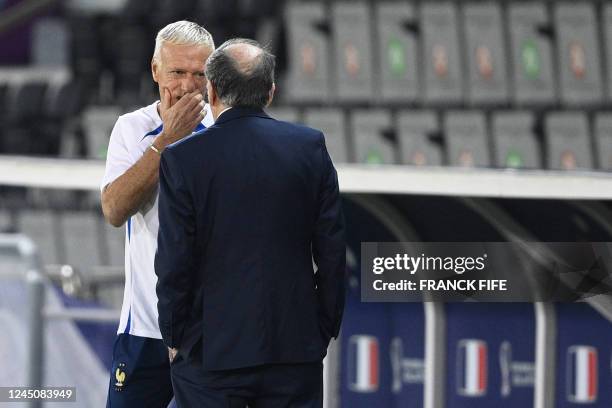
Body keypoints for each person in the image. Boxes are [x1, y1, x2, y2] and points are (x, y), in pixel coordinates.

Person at [154, 38, 347, 408]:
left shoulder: (182, 159)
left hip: (210, 353)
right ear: (270, 93)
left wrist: (175, 335)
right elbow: (333, 251)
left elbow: (174, 261)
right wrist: (322, 329)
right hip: (294, 349)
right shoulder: (309, 147)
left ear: (211, 91)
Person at [100, 21, 214, 407]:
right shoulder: (132, 129)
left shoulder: (227, 132)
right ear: (154, 71)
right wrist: (167, 140)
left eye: (199, 74)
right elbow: (115, 210)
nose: (187, 86)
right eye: (177, 73)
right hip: (143, 331)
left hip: (209, 334)